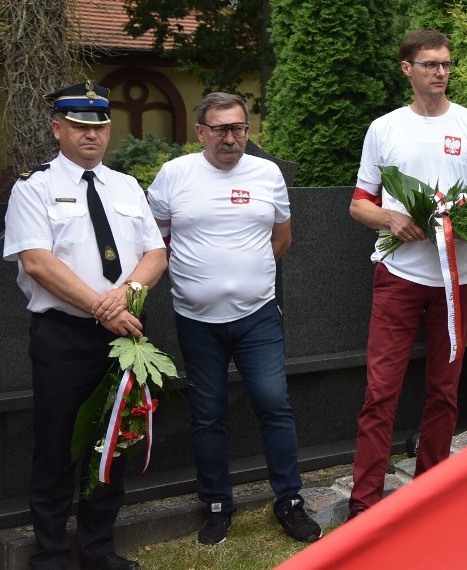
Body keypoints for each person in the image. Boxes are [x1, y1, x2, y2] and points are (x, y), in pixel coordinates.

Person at [3, 81, 167, 570]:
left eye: (99, 126)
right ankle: (51, 556)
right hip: (64, 337)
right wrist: (104, 307)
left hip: (122, 338)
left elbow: (155, 252)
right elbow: (36, 262)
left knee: (112, 443)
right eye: (78, 126)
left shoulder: (126, 185)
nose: (91, 135)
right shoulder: (34, 187)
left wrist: (127, 298)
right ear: (57, 129)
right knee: (55, 447)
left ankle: (98, 551)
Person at [147, 92, 321, 545]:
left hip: (257, 316)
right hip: (196, 319)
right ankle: (218, 505)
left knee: (274, 404)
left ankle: (289, 501)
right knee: (207, 414)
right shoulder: (174, 175)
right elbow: (156, 241)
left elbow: (281, 238)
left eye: (239, 128)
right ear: (200, 132)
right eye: (221, 129)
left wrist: (246, 276)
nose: (231, 137)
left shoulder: (267, 175)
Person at [347, 29, 467, 518]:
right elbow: (358, 205)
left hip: (458, 276)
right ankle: (364, 503)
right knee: (380, 390)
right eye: (430, 64)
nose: (441, 72)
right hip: (399, 274)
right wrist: (392, 217)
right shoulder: (385, 128)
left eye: (446, 64)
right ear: (407, 69)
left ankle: (430, 496)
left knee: (444, 389)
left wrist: (465, 219)